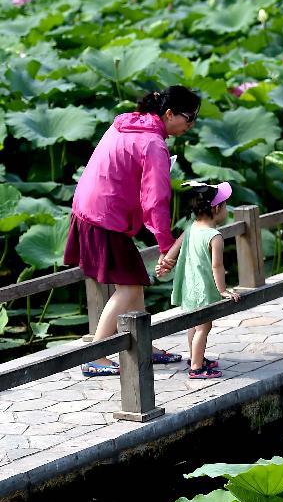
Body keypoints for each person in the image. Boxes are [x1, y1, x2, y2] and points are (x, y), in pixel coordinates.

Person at [64, 86, 201, 377]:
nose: (191, 126)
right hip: (103, 217)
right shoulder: (153, 144)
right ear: (168, 114)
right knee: (129, 287)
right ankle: (96, 354)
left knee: (135, 280)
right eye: (189, 118)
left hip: (90, 210)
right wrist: (166, 245)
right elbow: (155, 201)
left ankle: (143, 346)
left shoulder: (125, 123)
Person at [158, 182, 239, 379]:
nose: (227, 209)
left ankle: (197, 356)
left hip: (188, 288)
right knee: (204, 327)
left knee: (193, 325)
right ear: (217, 208)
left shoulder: (191, 227)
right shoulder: (215, 236)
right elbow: (217, 267)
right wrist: (223, 290)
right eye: (226, 205)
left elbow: (174, 250)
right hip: (203, 289)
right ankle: (196, 367)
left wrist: (165, 263)